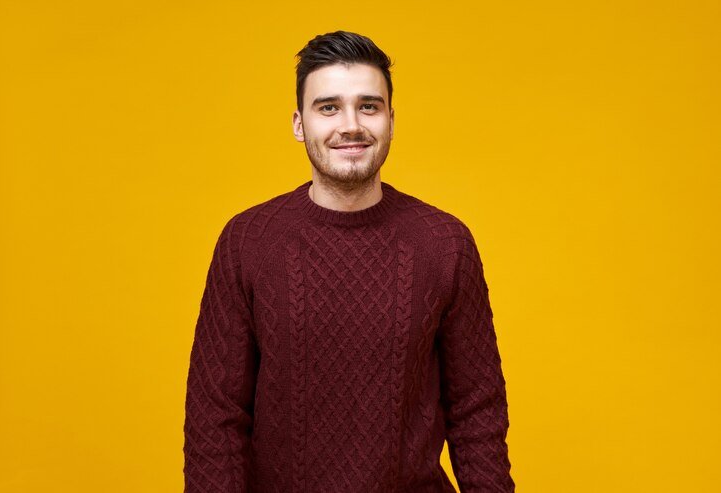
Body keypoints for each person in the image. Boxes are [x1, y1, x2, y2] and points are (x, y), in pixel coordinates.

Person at [183, 30, 515, 493]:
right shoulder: (248, 241)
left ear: (391, 120)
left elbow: (476, 410)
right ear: (300, 124)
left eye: (368, 106)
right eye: (328, 107)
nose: (351, 125)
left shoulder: (445, 243)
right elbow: (214, 417)